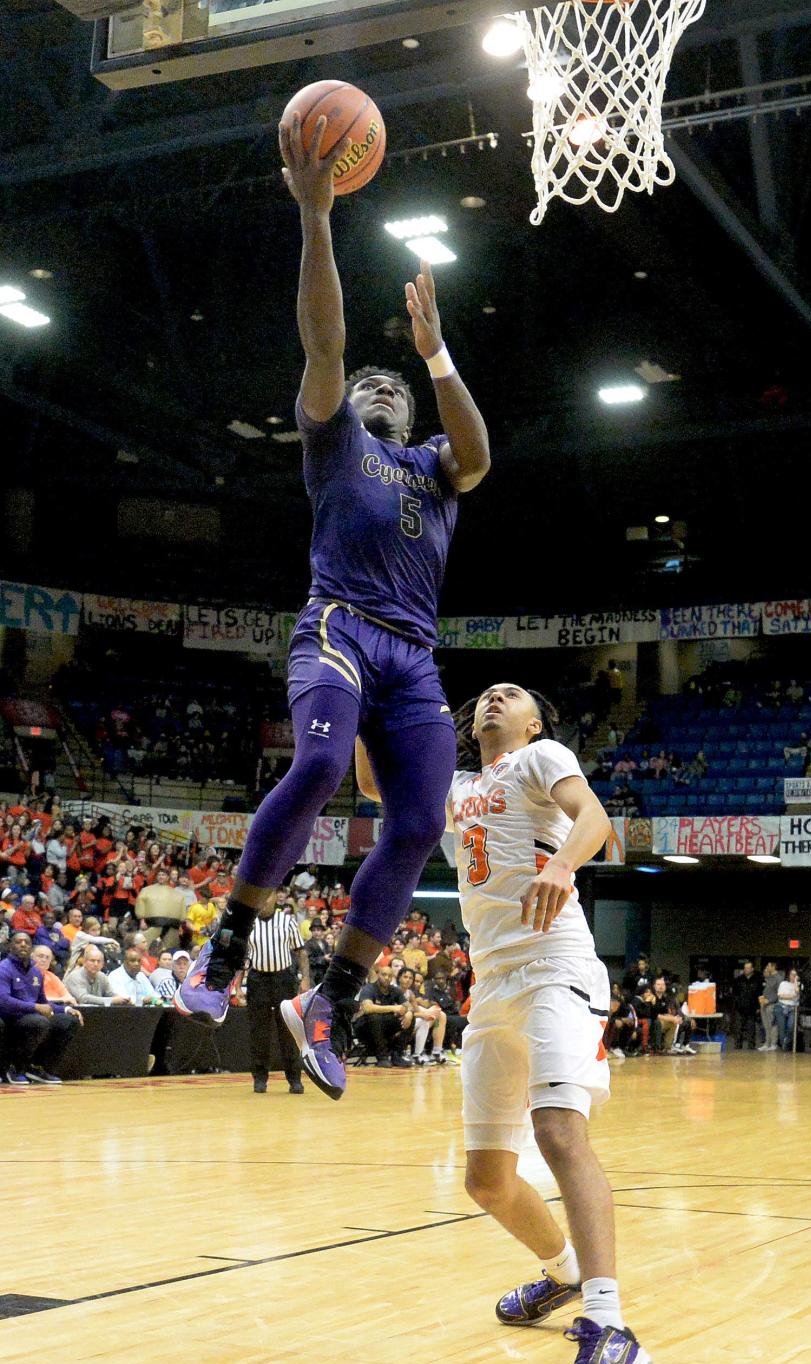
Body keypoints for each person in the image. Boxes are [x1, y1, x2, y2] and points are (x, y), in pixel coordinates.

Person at [177, 102, 490, 1107]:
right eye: (372, 383)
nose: (382, 388)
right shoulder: (336, 443)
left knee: (417, 824)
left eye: (396, 387)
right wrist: (316, 217)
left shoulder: (436, 466)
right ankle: (227, 952)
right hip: (340, 627)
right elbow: (326, 340)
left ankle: (332, 1002)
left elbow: (480, 454)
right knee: (316, 762)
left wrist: (437, 355)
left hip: (415, 656)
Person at [357, 682, 650, 1364]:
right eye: (486, 694)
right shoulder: (455, 786)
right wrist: (361, 701)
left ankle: (610, 1325)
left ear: (533, 721)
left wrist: (560, 865)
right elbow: (372, 783)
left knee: (556, 1131)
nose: (494, 698)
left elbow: (595, 818)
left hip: (557, 965)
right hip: (492, 985)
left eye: (511, 694)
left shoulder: (541, 756)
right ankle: (563, 1272)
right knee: (486, 1180)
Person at [240, 893, 308, 1094]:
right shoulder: (249, 923)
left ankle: (294, 1079)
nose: (262, 901)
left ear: (275, 898)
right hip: (258, 979)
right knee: (258, 1031)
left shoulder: (287, 921)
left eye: (266, 897)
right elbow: (242, 957)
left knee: (288, 1030)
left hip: (284, 979)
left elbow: (301, 952)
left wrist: (305, 978)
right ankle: (259, 1078)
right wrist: (236, 985)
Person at [0, 931, 81, 1084]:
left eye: (27, 942)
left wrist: (65, 1009)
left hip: (32, 1016)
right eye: (18, 942)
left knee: (69, 1021)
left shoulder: (36, 971)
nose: (23, 944)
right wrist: (35, 1007)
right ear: (11, 946)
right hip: (10, 1018)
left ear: (31, 947)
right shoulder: (4, 968)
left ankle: (38, 1067)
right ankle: (15, 1068)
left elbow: (43, 1002)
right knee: (39, 1021)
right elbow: (3, 1001)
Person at [353, 961, 415, 1067]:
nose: (387, 978)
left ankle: (397, 1055)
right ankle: (382, 1057)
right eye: (384, 974)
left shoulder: (395, 990)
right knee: (374, 1017)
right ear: (378, 975)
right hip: (364, 1026)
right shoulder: (369, 988)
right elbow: (368, 1008)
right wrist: (393, 1007)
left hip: (383, 1025)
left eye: (389, 976)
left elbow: (409, 1006)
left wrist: (409, 1013)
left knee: (411, 1019)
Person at [730, 960, 759, 1050]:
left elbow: (760, 994)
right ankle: (738, 1046)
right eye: (745, 968)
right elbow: (734, 994)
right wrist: (736, 1004)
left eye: (748, 968)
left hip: (752, 1008)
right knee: (738, 1028)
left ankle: (751, 1046)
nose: (746, 969)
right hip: (740, 1008)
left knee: (751, 1029)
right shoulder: (738, 980)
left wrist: (758, 1007)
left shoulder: (757, 980)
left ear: (752, 969)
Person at [758, 961, 783, 1050]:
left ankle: (773, 1044)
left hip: (772, 1004)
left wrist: (770, 1000)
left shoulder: (778, 978)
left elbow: (779, 993)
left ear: (773, 967)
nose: (767, 968)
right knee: (766, 1025)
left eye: (768, 966)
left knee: (772, 1024)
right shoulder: (769, 977)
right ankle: (767, 1043)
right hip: (764, 1004)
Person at [775, 967, 801, 1050]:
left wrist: (796, 982)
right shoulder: (783, 983)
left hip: (793, 1008)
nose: (793, 976)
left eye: (795, 975)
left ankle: (786, 1043)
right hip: (782, 1007)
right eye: (792, 974)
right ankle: (784, 1046)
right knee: (782, 1029)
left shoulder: (798, 984)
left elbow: (797, 993)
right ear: (788, 975)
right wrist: (791, 996)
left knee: (791, 1027)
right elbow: (780, 995)